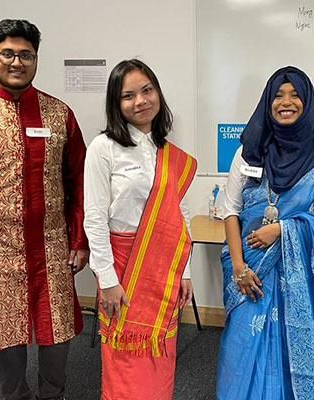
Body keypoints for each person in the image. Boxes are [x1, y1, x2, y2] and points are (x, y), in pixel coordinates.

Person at [0, 19, 88, 400]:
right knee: (5, 330)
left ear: (36, 58)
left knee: (56, 327)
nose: (17, 62)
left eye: (25, 54)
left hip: (51, 245)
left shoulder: (58, 114)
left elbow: (77, 181)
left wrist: (79, 239)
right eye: (8, 54)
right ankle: (15, 395)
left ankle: (53, 394)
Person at [216, 66, 314, 399]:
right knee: (242, 348)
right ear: (268, 102)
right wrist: (238, 269)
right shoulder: (247, 152)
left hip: (301, 279)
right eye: (278, 95)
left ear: (307, 103)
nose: (286, 102)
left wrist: (282, 229)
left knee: (296, 353)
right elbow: (230, 211)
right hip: (250, 272)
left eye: (295, 95)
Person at [83, 59, 197, 400]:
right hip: (123, 265)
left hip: (164, 265)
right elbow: (94, 218)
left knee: (160, 350)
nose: (140, 101)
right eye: (128, 95)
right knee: (125, 355)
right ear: (115, 104)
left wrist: (185, 272)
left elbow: (180, 216)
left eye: (147, 90)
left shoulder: (167, 151)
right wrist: (108, 280)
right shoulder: (104, 148)